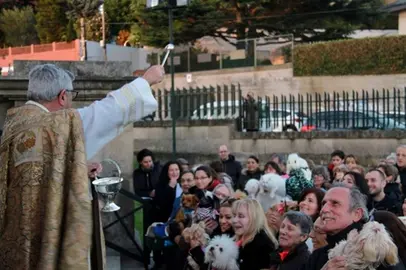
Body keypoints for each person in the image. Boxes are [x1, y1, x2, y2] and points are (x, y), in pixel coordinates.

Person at [0, 64, 164, 270]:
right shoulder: (60, 124)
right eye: (71, 95)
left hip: (16, 235)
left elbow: (39, 173)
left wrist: (77, 167)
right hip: (50, 238)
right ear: (62, 96)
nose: (71, 102)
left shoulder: (14, 125)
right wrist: (146, 80)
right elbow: (108, 111)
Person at [304, 184, 404, 270]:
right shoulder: (318, 256)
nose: (324, 209)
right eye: (323, 203)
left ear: (357, 214)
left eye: (335, 203)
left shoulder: (377, 251)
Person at [232, 198, 278, 270]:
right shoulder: (239, 240)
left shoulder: (263, 245)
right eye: (234, 215)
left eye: (241, 216)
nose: (234, 220)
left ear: (254, 218)